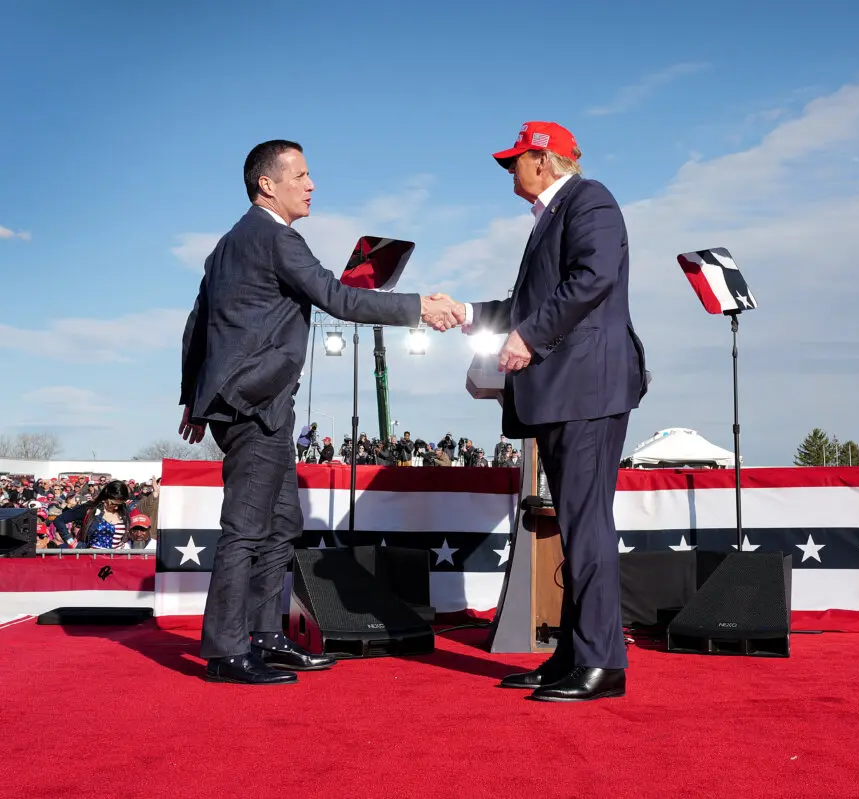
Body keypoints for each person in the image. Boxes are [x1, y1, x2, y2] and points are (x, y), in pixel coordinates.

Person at [178, 139, 463, 685]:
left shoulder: (227, 244)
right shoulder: (276, 238)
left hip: (248, 401)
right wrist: (419, 308)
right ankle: (226, 651)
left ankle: (265, 636)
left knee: (283, 521)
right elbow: (340, 299)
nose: (312, 185)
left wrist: (193, 396)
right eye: (302, 175)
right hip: (254, 403)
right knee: (247, 528)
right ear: (268, 184)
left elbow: (197, 325)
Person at [445, 121, 649, 702]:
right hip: (568, 391)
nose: (510, 171)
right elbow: (524, 304)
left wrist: (529, 337)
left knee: (587, 528)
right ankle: (573, 655)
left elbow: (593, 278)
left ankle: (603, 663)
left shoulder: (590, 200)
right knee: (579, 528)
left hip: (587, 389)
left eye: (515, 160)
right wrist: (462, 312)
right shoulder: (551, 220)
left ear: (544, 160)